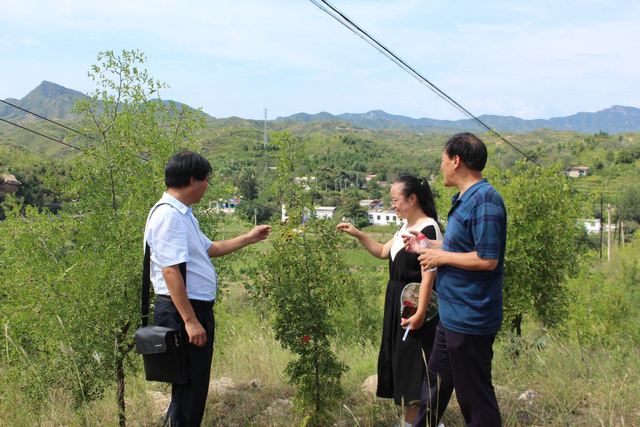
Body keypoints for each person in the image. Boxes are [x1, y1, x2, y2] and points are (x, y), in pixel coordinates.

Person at [144, 151, 270, 426]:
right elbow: (170, 271)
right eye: (206, 180)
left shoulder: (183, 214)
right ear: (192, 180)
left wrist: (248, 238)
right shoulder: (169, 217)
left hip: (190, 310)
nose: (207, 186)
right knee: (189, 392)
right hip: (183, 312)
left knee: (190, 389)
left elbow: (209, 249)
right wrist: (191, 322)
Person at [404, 133, 506, 427]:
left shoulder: (486, 200)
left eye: (443, 160)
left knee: (474, 398)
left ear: (456, 161)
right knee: (433, 388)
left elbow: (487, 259)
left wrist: (442, 258)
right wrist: (427, 246)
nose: (442, 166)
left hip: (471, 318)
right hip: (451, 316)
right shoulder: (464, 199)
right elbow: (459, 248)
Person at [337, 176, 442, 427]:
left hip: (414, 305)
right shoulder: (404, 227)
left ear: (412, 199)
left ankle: (415, 423)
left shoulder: (428, 228)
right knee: (403, 362)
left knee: (416, 365)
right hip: (398, 301)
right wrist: (358, 234)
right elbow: (384, 252)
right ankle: (421, 422)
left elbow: (429, 272)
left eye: (395, 200)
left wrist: (419, 313)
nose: (392, 205)